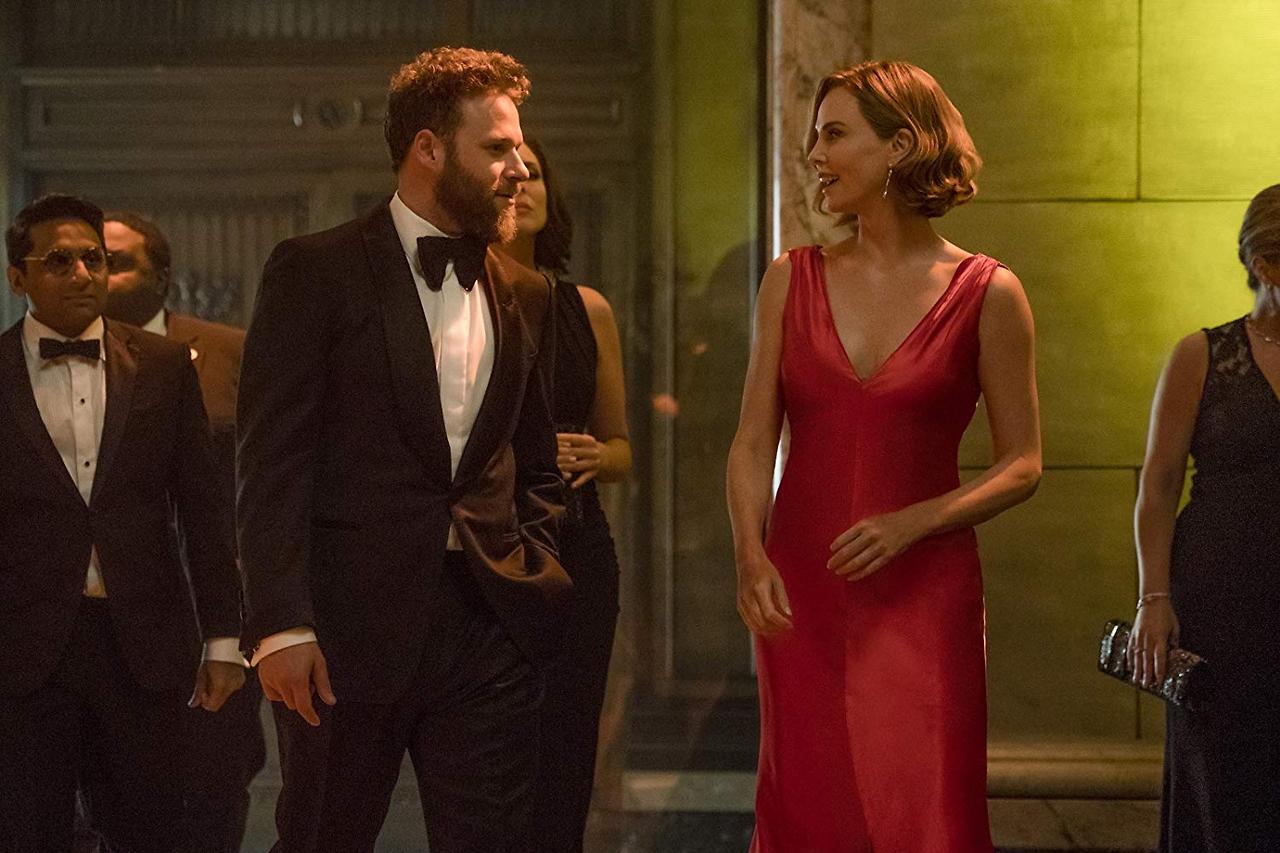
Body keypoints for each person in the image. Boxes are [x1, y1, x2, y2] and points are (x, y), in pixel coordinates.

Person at [236, 47, 568, 851]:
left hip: (490, 619)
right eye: (498, 148)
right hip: (343, 632)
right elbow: (272, 463)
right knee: (322, 837)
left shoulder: (527, 292)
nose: (521, 168)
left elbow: (537, 461)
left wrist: (539, 565)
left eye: (519, 148)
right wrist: (280, 625)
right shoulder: (315, 271)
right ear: (428, 149)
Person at [726, 60, 1041, 852]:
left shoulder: (989, 291)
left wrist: (913, 522)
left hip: (924, 595)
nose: (815, 155)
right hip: (801, 590)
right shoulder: (789, 279)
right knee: (809, 807)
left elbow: (1023, 462)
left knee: (926, 810)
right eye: (814, 137)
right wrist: (749, 556)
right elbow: (754, 439)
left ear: (899, 146)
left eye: (834, 134)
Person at [0, 193, 244, 851]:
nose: (82, 273)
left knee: (151, 830)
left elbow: (204, 508)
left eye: (93, 259)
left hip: (142, 645)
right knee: (26, 833)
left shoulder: (163, 366)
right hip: (23, 652)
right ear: (18, 277)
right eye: (58, 261)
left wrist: (224, 637)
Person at [102, 211, 264, 853]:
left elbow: (275, 466)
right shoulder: (37, 360)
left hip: (213, 600)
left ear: (161, 276)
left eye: (117, 262)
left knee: (214, 778)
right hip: (101, 606)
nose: (96, 274)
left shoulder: (227, 351)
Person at [1129, 184, 1280, 852]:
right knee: (1221, 780)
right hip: (1219, 601)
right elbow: (1158, 485)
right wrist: (1153, 599)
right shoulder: (1203, 354)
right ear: (1266, 267)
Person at [496, 137, 631, 852]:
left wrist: (598, 455)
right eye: (508, 171)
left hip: (578, 548)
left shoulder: (587, 308)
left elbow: (623, 447)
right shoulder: (453, 300)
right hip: (488, 551)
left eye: (537, 173)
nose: (523, 185)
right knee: (492, 762)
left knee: (568, 752)